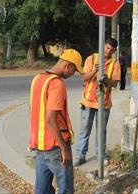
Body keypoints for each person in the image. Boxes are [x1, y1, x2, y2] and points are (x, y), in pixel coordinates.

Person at [29, 49, 83, 194]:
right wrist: (64, 149)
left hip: (40, 145)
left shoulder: (38, 79)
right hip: (55, 146)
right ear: (68, 66)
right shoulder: (56, 84)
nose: (73, 74)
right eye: (74, 70)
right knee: (65, 188)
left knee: (42, 189)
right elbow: (50, 119)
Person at [74, 38, 121, 166]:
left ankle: (101, 155)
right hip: (88, 101)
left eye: (111, 50)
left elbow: (115, 84)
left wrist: (107, 81)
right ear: (103, 47)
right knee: (84, 131)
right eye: (107, 48)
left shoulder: (115, 64)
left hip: (104, 103)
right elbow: (84, 77)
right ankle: (80, 156)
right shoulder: (92, 59)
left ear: (114, 51)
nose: (108, 51)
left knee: (101, 131)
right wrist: (94, 71)